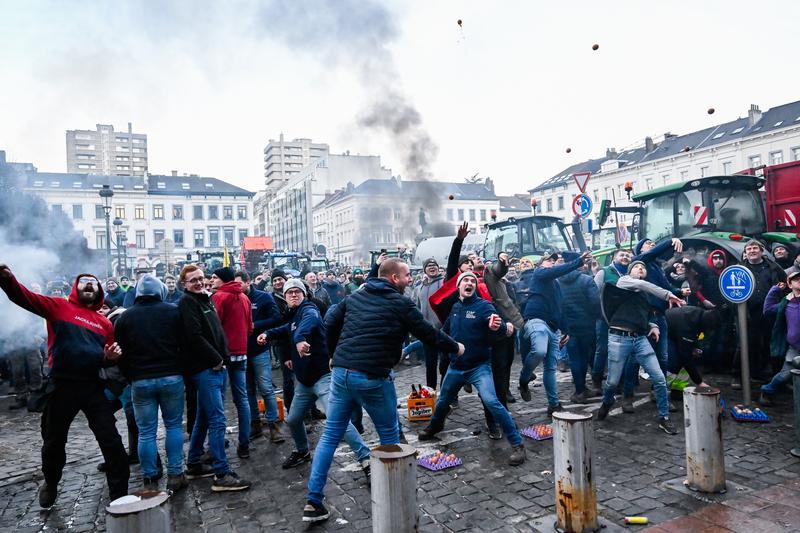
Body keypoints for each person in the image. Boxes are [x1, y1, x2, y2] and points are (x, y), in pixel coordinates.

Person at [302, 258, 462, 523]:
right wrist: (456, 347)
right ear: (393, 278)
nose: (410, 279)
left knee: (330, 437)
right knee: (390, 437)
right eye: (407, 275)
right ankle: (398, 499)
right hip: (372, 376)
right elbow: (427, 333)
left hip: (341, 373)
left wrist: (334, 354)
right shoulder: (400, 302)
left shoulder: (357, 295)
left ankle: (313, 501)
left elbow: (329, 321)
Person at [0, 265, 129, 507]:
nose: (89, 284)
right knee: (53, 442)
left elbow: (105, 356)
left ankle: (119, 497)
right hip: (62, 386)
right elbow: (25, 297)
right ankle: (51, 481)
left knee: (111, 441)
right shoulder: (58, 306)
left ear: (99, 290)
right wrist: (7, 280)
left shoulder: (105, 323)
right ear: (76, 288)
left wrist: (111, 357)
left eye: (93, 282)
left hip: (92, 386)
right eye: (84, 281)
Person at [256, 279, 371, 477]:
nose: (293, 295)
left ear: (304, 294)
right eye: (289, 292)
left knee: (337, 421)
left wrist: (300, 340)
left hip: (323, 378)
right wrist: (267, 333)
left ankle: (366, 459)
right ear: (284, 297)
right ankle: (302, 450)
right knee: (293, 419)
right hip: (304, 382)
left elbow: (307, 325)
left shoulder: (309, 310)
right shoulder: (293, 316)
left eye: (297, 292)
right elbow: (286, 329)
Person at [418, 271, 526, 465]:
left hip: (479, 366)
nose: (469, 283)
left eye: (472, 281)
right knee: (443, 400)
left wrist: (498, 327)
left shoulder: (484, 306)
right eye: (465, 280)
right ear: (458, 286)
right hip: (456, 367)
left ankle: (517, 444)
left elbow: (500, 328)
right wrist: (419, 343)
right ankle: (435, 426)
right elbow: (444, 333)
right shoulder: (456, 307)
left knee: (492, 402)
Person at [178, 265, 250, 492]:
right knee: (218, 420)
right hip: (207, 368)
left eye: (201, 278)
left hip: (216, 367)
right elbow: (194, 335)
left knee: (203, 417)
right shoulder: (187, 302)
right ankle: (221, 473)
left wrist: (222, 358)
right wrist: (216, 359)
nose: (199, 283)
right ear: (184, 285)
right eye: (193, 281)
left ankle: (194, 463)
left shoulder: (204, 299)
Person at [114, 275, 187, 492]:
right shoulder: (173, 311)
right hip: (171, 377)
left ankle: (149, 477)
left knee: (146, 432)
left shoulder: (125, 318)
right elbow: (185, 345)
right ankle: (176, 474)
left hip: (140, 380)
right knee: (173, 425)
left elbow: (120, 354)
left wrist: (131, 376)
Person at [596, 261, 683, 434]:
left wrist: (653, 326)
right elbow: (641, 283)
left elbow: (643, 315)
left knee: (659, 378)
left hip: (640, 339)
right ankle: (607, 401)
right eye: (636, 266)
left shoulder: (643, 295)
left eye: (643, 266)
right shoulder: (624, 282)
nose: (641, 268)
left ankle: (664, 418)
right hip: (618, 338)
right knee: (612, 381)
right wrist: (668, 295)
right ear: (629, 271)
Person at [518, 250, 592, 414]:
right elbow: (556, 271)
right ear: (540, 265)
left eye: (554, 261)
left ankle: (554, 404)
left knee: (550, 368)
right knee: (539, 350)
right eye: (548, 261)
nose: (552, 263)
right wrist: (578, 261)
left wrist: (565, 330)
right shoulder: (539, 273)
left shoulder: (556, 285)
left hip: (553, 328)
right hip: (537, 319)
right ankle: (524, 378)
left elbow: (561, 308)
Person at [236, 271, 285, 444]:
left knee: (266, 388)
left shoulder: (264, 297)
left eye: (239, 284)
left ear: (248, 282)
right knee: (248, 390)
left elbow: (277, 318)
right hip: (241, 352)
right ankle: (255, 424)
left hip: (259, 350)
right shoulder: (235, 299)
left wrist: (255, 326)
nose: (236, 288)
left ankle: (273, 425)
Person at [210, 267, 254, 459]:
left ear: (223, 280)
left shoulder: (219, 297)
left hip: (224, 356)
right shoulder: (244, 297)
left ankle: (217, 448)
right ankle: (244, 443)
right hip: (241, 354)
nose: (211, 281)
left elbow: (213, 327)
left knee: (218, 403)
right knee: (242, 400)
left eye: (214, 278)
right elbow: (250, 327)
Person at [482, 252, 525, 433]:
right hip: (481, 336)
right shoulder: (469, 282)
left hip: (503, 329)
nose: (473, 262)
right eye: (467, 262)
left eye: (475, 259)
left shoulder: (490, 275)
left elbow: (497, 269)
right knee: (485, 377)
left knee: (502, 369)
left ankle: (501, 411)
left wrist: (501, 261)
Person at [738, 239, 784, 385]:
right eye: (749, 249)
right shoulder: (740, 268)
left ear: (762, 251)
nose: (752, 251)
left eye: (754, 248)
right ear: (745, 253)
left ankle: (772, 374)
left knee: (769, 342)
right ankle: (744, 374)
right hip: (748, 312)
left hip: (769, 312)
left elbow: (785, 281)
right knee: (748, 343)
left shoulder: (773, 267)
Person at [558, 251, 601, 403]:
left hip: (568, 327)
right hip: (586, 325)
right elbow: (596, 303)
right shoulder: (586, 280)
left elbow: (558, 306)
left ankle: (580, 390)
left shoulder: (558, 282)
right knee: (585, 358)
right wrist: (593, 317)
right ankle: (581, 390)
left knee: (575, 359)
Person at [591, 249, 632, 394]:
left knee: (622, 351)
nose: (625, 257)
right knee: (602, 350)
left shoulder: (630, 273)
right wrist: (599, 314)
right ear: (614, 258)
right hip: (604, 319)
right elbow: (594, 294)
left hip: (623, 319)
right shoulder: (604, 272)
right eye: (622, 255)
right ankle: (596, 382)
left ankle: (619, 382)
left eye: (627, 255)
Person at [760, 272, 800, 405]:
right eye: (796, 279)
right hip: (795, 347)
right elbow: (768, 311)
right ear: (790, 284)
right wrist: (774, 290)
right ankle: (766, 391)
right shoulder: (786, 303)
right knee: (784, 375)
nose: (799, 281)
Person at [412, 258, 446, 389]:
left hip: (443, 330)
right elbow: (415, 307)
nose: (432, 267)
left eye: (434, 265)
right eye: (429, 266)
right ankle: (431, 391)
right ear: (424, 269)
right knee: (430, 365)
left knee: (445, 364)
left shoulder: (443, 283)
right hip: (427, 332)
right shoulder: (419, 287)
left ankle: (448, 393)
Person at [269, 269, 295, 410]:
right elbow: (276, 320)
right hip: (282, 342)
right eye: (275, 280)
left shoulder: (293, 294)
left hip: (297, 339)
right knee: (288, 379)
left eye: (280, 279)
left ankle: (311, 409)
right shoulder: (272, 299)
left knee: (306, 376)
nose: (278, 282)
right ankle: (291, 409)